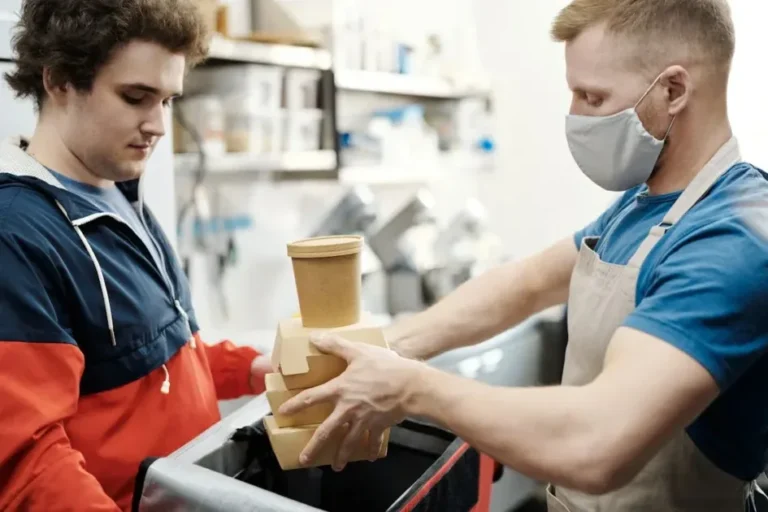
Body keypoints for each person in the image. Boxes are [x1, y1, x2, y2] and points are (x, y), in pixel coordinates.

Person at [279, 1, 768, 510]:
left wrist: (409, 388)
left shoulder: (733, 237)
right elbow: (527, 284)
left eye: (593, 96)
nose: (575, 117)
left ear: (673, 90)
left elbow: (597, 443)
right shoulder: (642, 205)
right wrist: (380, 348)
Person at [0, 1, 272, 510]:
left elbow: (158, 365)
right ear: (59, 81)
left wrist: (254, 368)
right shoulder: (16, 234)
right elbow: (26, 462)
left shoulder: (120, 197)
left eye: (167, 100)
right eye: (135, 97)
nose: (158, 126)